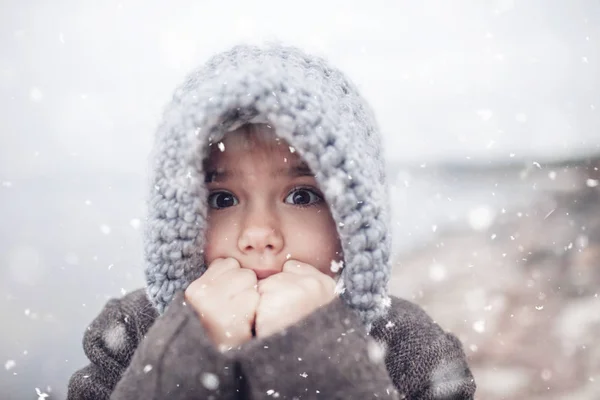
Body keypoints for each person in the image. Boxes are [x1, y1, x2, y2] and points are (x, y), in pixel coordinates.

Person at [67, 43, 476, 399]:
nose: (258, 235)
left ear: (352, 221)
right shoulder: (131, 336)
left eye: (301, 196)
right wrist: (185, 354)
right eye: (223, 199)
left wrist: (322, 355)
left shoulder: (410, 349)